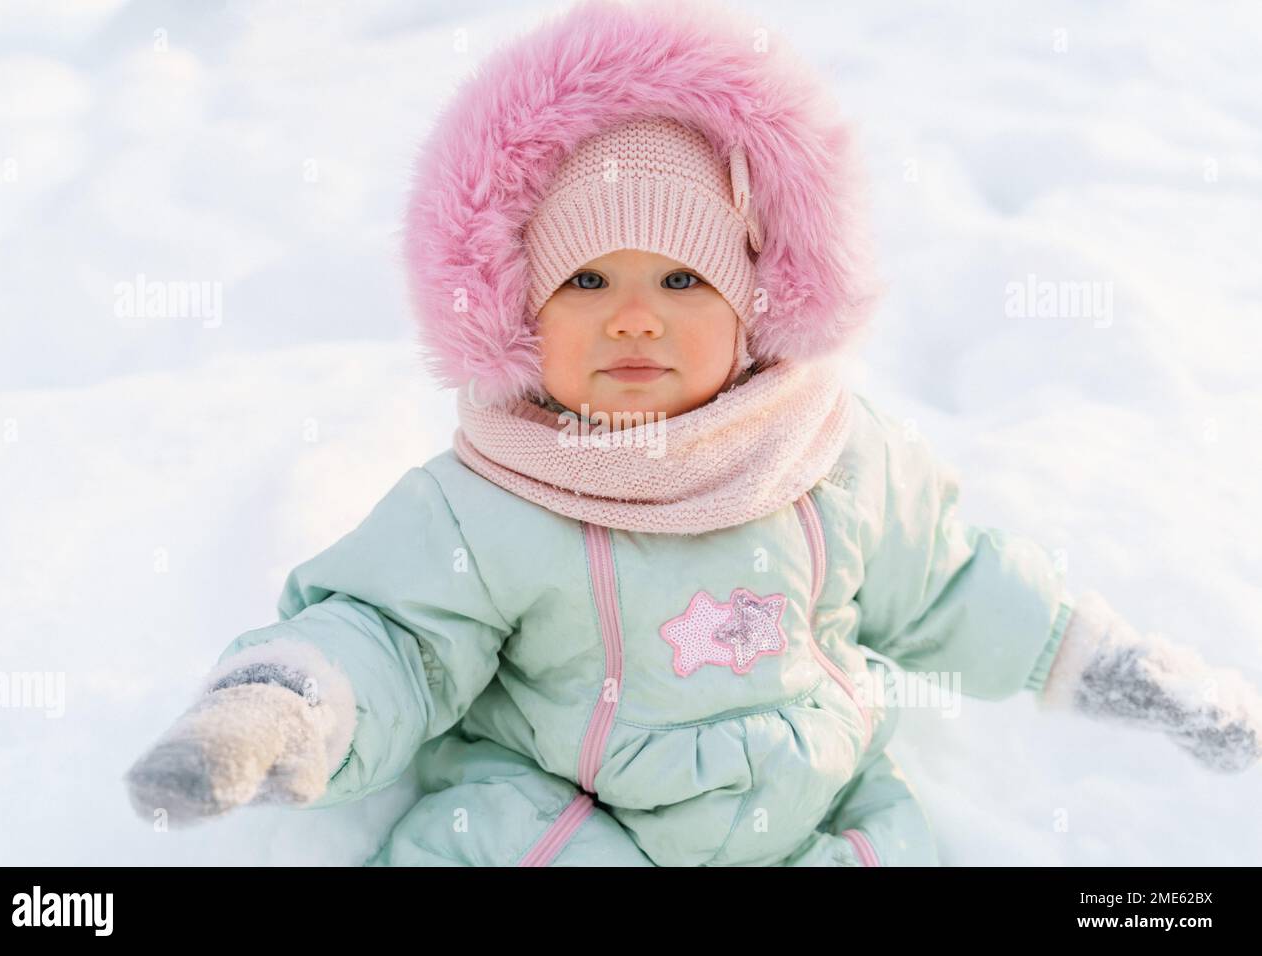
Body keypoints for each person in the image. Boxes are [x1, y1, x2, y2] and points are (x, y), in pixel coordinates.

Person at [123, 0, 1262, 866]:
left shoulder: (828, 452)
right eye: (583, 279)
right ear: (520, 310)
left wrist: (1100, 661)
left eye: (680, 274)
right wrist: (286, 702)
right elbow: (394, 630)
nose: (633, 314)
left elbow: (953, 580)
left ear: (751, 302)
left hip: (813, 807)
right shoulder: (492, 494)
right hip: (576, 811)